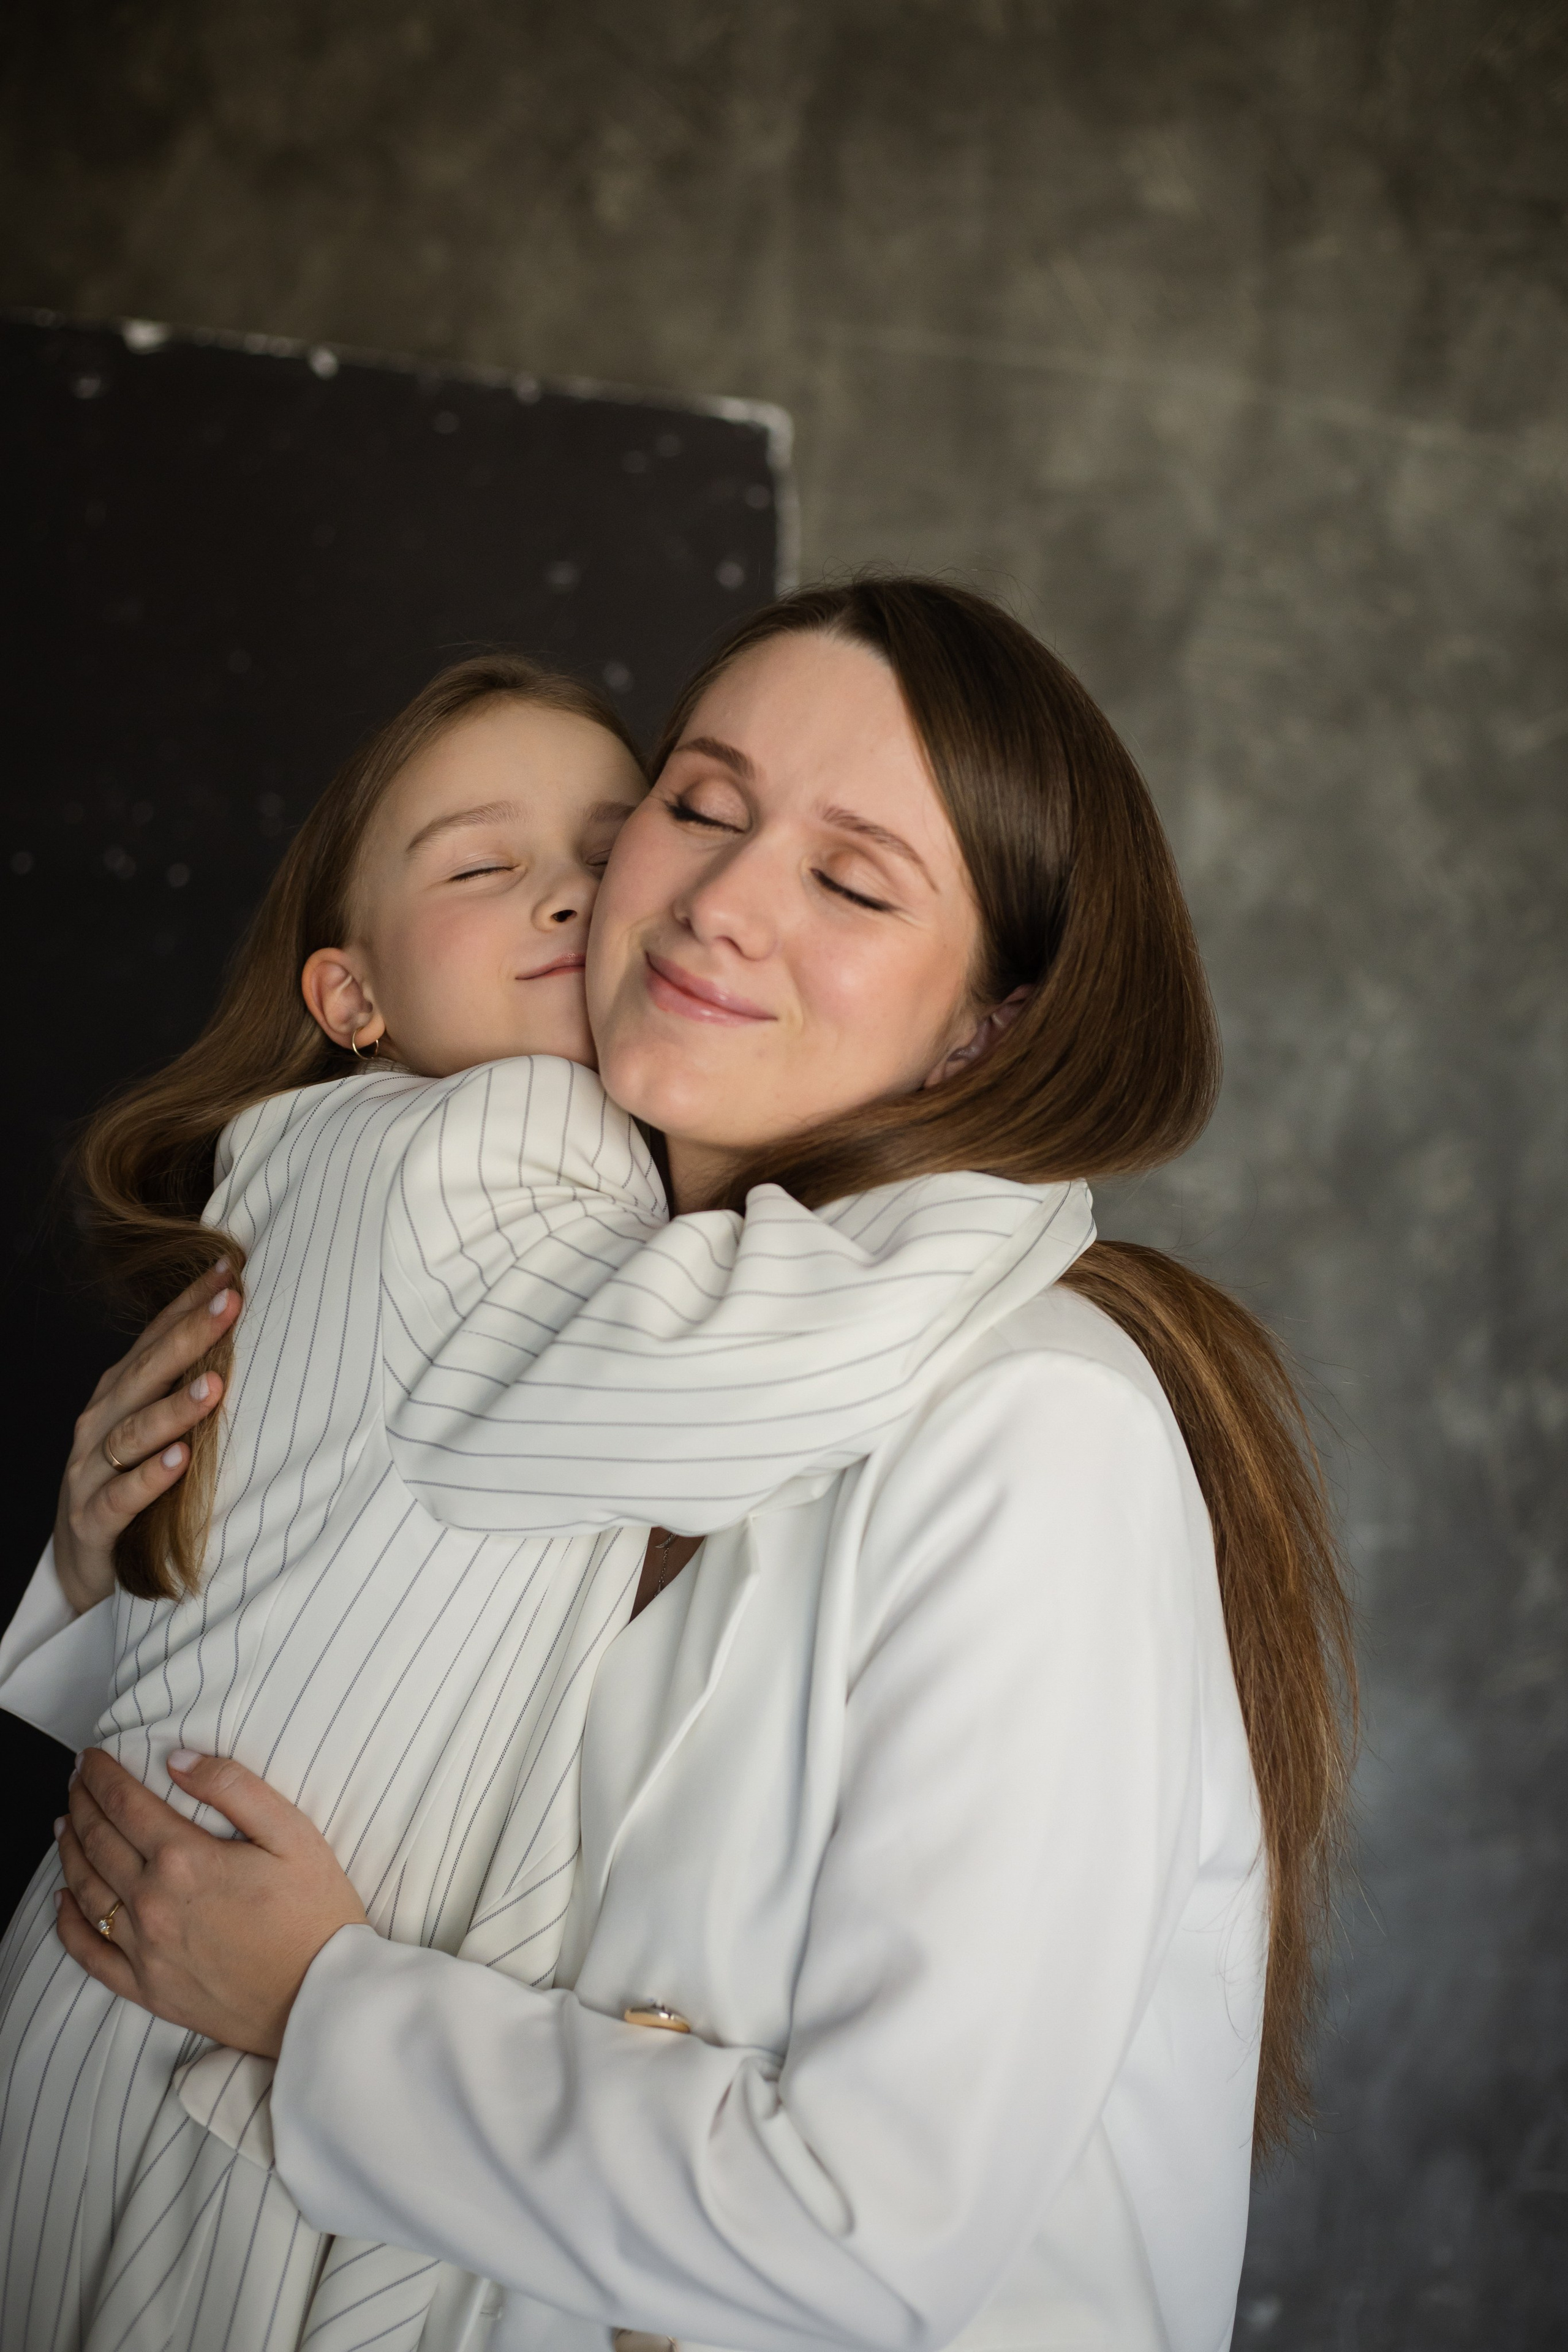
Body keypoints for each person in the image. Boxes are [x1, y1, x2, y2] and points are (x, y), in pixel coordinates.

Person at [13, 581, 1353, 2352]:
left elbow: (872, 2232)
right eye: (704, 805)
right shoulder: (595, 1304)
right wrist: (118, 1548)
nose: (721, 899)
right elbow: (401, 1699)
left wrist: (318, 2004)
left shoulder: (1038, 1428)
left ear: (988, 1028)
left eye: (853, 881)